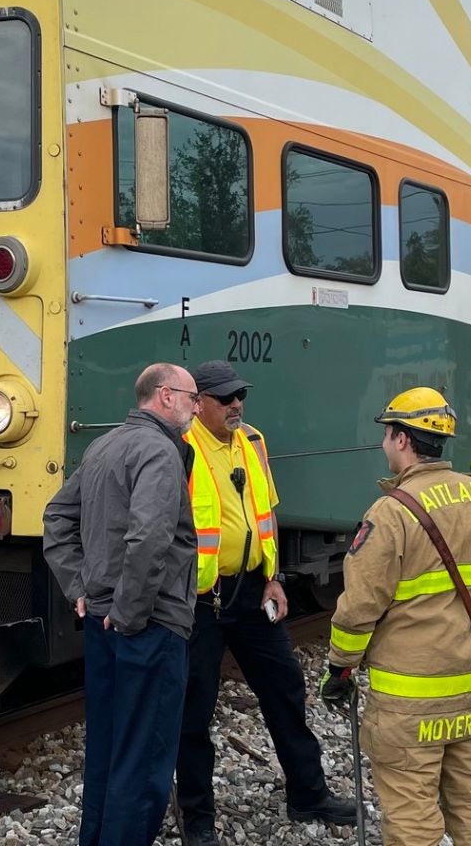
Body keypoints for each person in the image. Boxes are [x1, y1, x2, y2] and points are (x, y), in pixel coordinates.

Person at [318, 388, 471, 846]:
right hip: (468, 694)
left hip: (407, 701)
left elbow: (358, 610)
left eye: (387, 434)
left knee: (412, 814)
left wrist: (339, 670)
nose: (384, 442)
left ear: (402, 439)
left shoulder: (391, 513)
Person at [174, 361, 353, 845]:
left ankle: (309, 794)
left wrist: (273, 578)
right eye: (225, 397)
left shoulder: (252, 440)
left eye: (241, 395)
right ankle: (197, 819)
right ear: (198, 402)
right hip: (200, 599)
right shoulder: (181, 446)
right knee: (194, 708)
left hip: (253, 591)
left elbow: (265, 515)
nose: (236, 404)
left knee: (285, 688)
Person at [42, 363, 201, 846]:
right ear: (166, 395)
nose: (197, 408)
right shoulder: (159, 451)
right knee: (144, 758)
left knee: (108, 751)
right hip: (147, 624)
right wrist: (129, 611)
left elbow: (56, 516)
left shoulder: (103, 446)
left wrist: (80, 589)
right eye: (193, 397)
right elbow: (149, 537)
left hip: (104, 621)